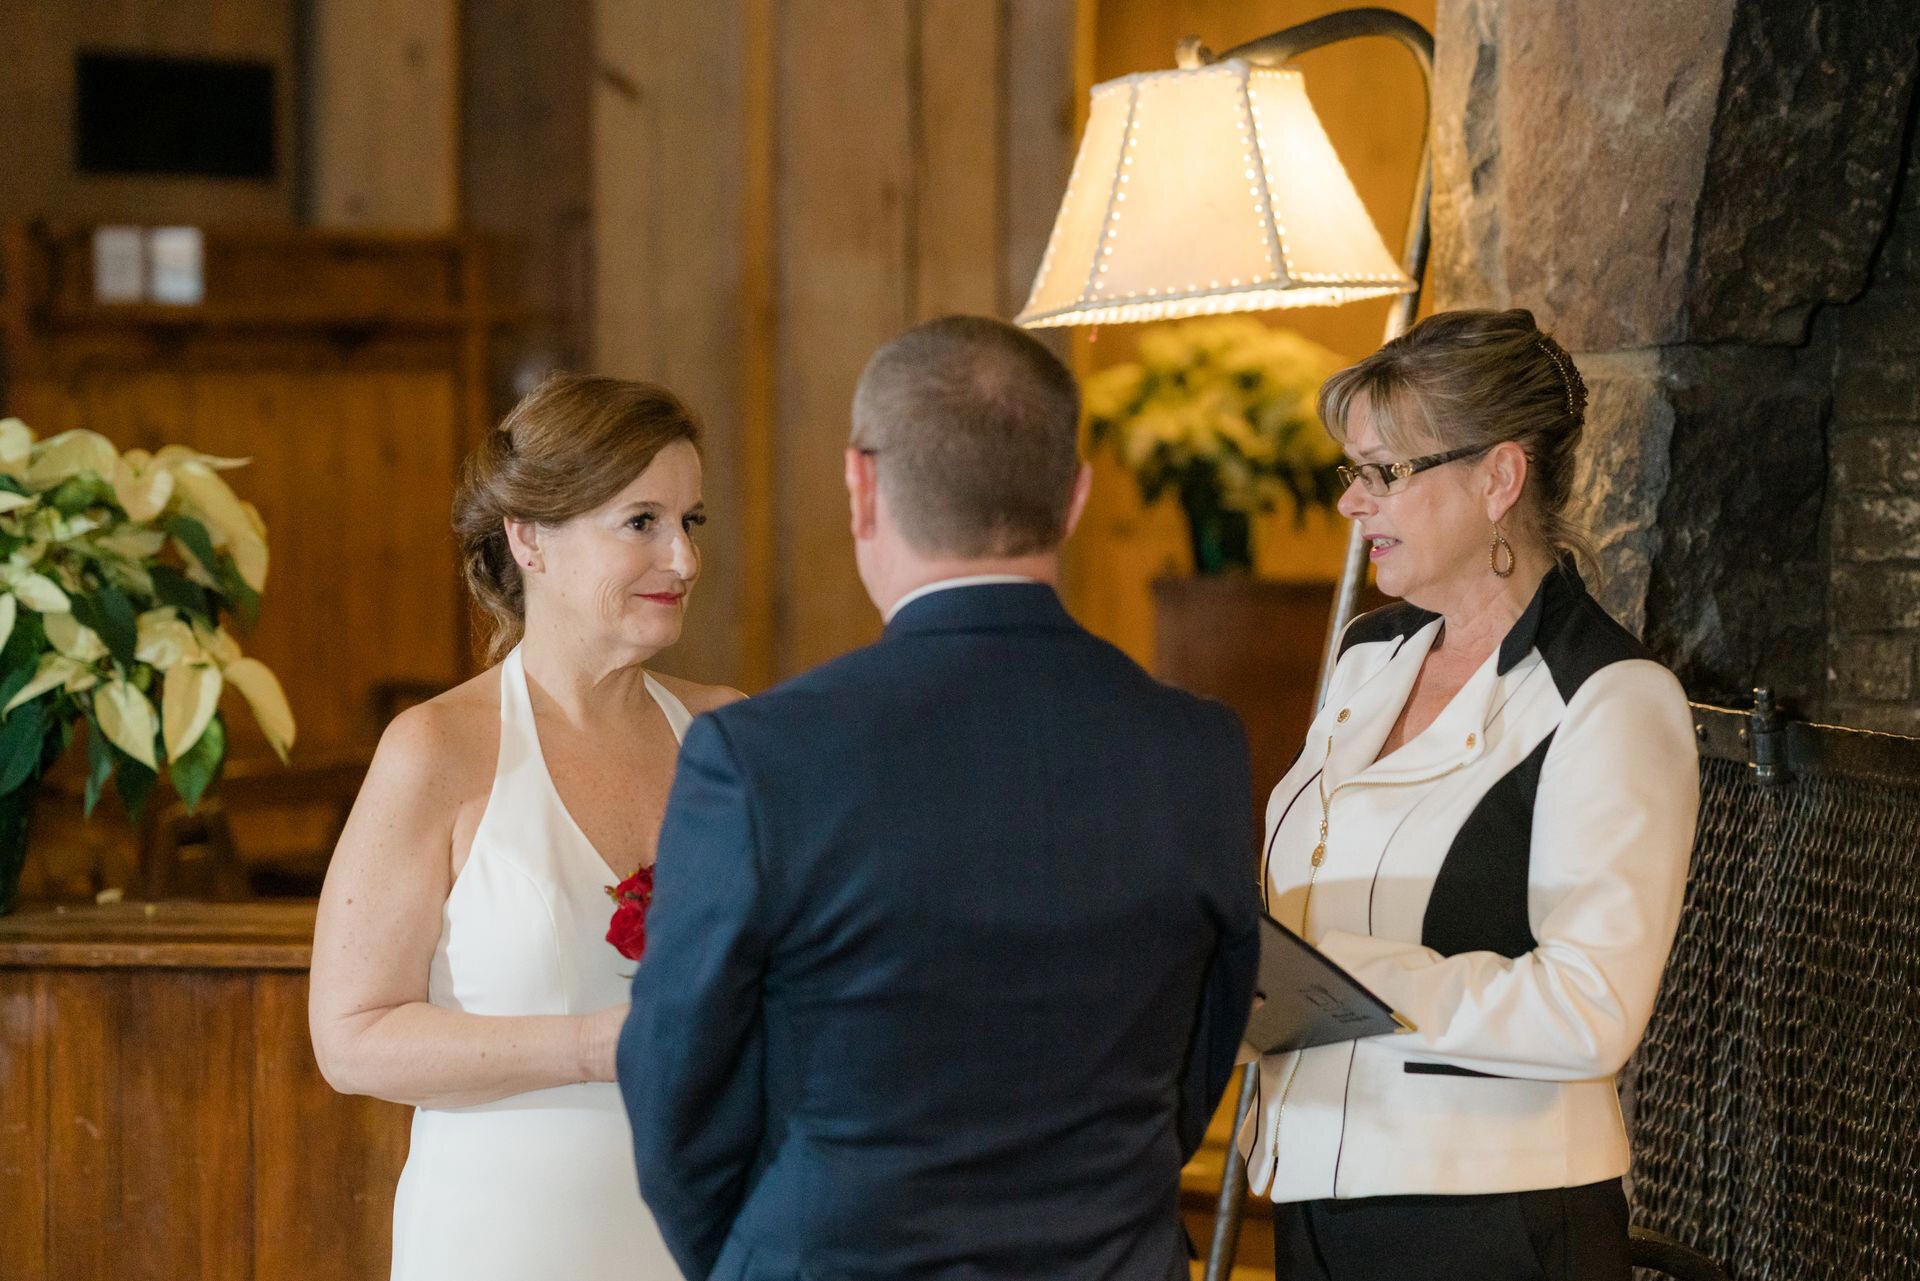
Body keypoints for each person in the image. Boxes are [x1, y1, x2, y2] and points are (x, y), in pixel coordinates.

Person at [617, 314, 1262, 1281]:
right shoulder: (1195, 746)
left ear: (862, 485)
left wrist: (763, 1252)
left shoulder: (760, 759)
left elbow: (673, 1073)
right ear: (1076, 495)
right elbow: (1202, 1050)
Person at [1243, 309, 1700, 1281]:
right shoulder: (1371, 658)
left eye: (1385, 472)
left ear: (1498, 477)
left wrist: (1340, 977)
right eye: (1350, 471)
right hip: (1315, 1195)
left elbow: (1593, 1010)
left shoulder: (1608, 697)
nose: (1352, 504)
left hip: (1488, 1224)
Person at [309, 374, 740, 1281]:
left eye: (690, 522)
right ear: (529, 537)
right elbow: (351, 1035)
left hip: (711, 1232)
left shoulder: (728, 738)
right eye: (642, 523)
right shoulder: (438, 748)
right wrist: (588, 1047)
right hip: (507, 1240)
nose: (684, 559)